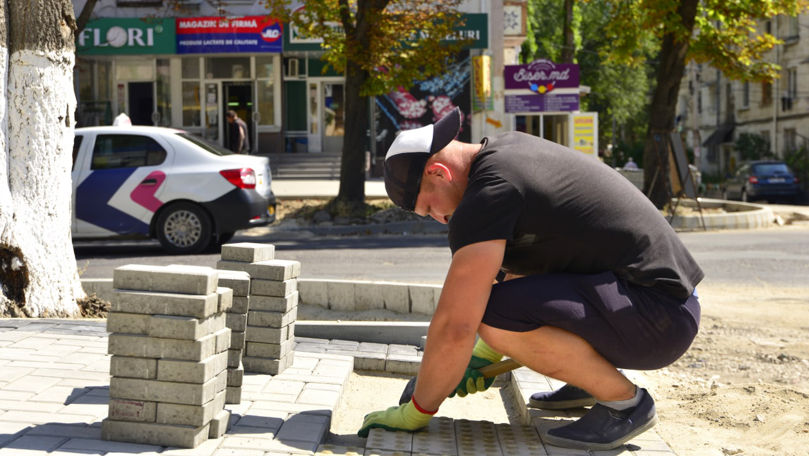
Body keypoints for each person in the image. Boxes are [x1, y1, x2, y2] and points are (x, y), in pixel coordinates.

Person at [357, 107, 702, 451]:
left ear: (438, 172)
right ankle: (593, 381)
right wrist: (479, 358)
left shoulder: (489, 193)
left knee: (489, 314)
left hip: (659, 320)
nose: (439, 218)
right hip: (661, 305)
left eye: (428, 207)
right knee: (501, 303)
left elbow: (456, 324)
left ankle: (625, 405)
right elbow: (519, 279)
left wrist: (418, 410)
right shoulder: (506, 153)